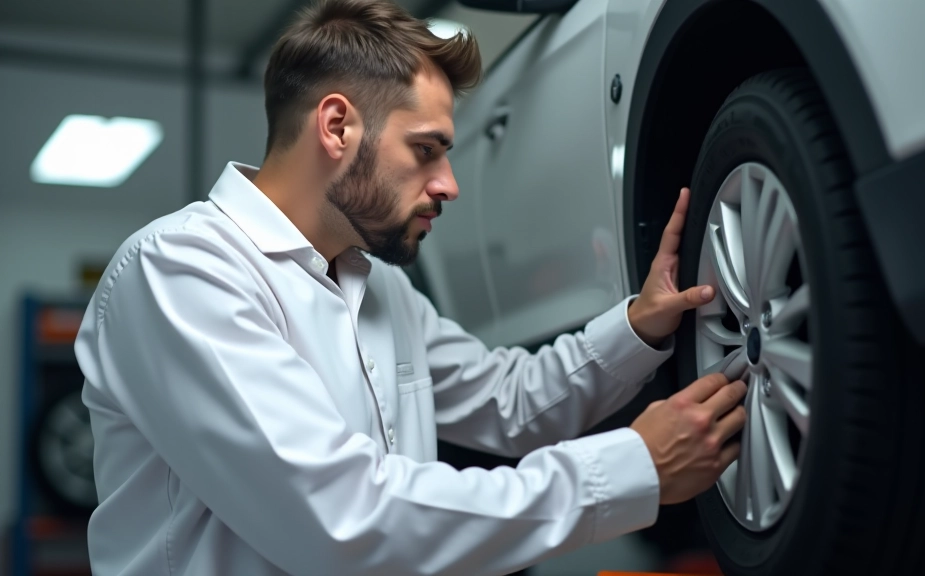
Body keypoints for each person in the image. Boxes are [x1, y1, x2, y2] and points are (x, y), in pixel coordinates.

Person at [74, 1, 748, 574]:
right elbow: (344, 521)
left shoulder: (379, 289)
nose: (448, 184)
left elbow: (511, 402)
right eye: (426, 149)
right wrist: (632, 467)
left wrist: (641, 326)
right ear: (337, 127)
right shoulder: (183, 273)